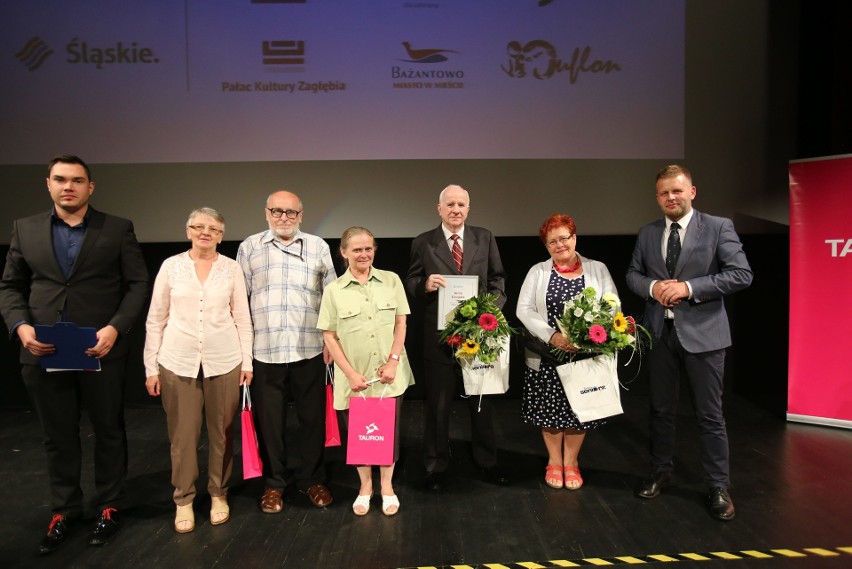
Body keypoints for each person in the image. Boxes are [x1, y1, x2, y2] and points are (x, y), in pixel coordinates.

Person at [0, 155, 149, 553]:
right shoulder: (25, 229)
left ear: (90, 187)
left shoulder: (117, 228)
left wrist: (115, 328)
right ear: (47, 183)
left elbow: (137, 284)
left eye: (77, 181)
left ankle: (110, 506)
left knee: (109, 430)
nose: (69, 187)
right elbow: (10, 287)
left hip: (99, 347)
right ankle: (64, 509)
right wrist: (21, 326)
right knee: (57, 434)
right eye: (61, 180)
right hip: (42, 348)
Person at [626, 164, 752, 521]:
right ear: (657, 197)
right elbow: (633, 274)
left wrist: (689, 288)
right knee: (660, 411)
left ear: (692, 192)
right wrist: (653, 288)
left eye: (677, 191)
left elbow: (741, 274)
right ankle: (660, 470)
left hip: (705, 336)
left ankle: (717, 486)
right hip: (660, 335)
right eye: (664, 193)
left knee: (710, 415)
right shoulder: (648, 233)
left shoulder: (717, 227)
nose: (671, 198)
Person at [143, 207, 253, 533]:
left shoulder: (231, 269)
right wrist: (151, 367)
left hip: (225, 360)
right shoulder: (171, 267)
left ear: (221, 235)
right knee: (183, 436)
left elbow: (242, 319)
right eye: (199, 226)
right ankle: (184, 499)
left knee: (222, 433)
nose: (206, 232)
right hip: (177, 362)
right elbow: (156, 318)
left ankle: (219, 493)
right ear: (188, 230)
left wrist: (246, 362)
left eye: (213, 228)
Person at [236, 190, 336, 513]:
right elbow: (239, 305)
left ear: (301, 216)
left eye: (291, 213)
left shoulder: (318, 247)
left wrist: (331, 343)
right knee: (270, 423)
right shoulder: (249, 247)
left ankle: (311, 478)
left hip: (309, 349)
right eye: (278, 211)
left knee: (312, 420)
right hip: (265, 352)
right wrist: (244, 355)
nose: (284, 218)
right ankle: (274, 482)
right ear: (266, 213)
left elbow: (331, 299)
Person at [405, 184, 508, 491]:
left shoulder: (484, 237)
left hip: (478, 336)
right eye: (449, 204)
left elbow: (498, 280)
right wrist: (425, 285)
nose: (455, 210)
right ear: (439, 209)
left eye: (461, 204)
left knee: (481, 404)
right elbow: (409, 281)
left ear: (468, 208)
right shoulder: (424, 242)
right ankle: (435, 465)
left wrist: (487, 313)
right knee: (437, 405)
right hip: (438, 338)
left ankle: (486, 462)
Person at [317, 227, 414, 516]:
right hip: (355, 378)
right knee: (360, 437)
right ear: (344, 253)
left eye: (368, 248)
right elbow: (330, 337)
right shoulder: (334, 290)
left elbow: (401, 323)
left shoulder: (391, 281)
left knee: (387, 435)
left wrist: (394, 361)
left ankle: (386, 487)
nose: (364, 254)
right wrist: (349, 374)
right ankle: (364, 488)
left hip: (389, 376)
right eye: (357, 249)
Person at [516, 214, 617, 490]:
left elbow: (612, 304)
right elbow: (523, 309)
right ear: (546, 246)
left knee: (578, 410)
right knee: (549, 411)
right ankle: (554, 461)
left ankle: (571, 462)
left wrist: (588, 335)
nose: (559, 245)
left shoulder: (598, 269)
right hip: (548, 354)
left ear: (574, 238)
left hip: (586, 353)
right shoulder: (538, 272)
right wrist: (553, 336)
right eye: (552, 241)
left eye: (564, 238)